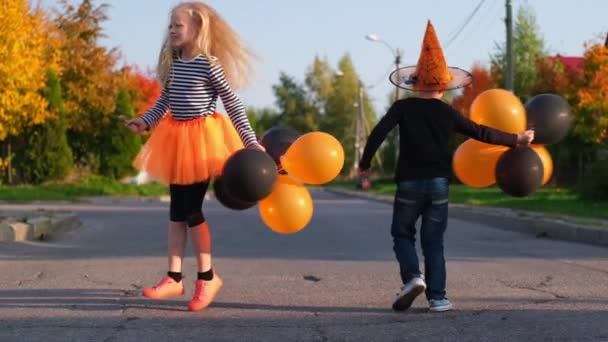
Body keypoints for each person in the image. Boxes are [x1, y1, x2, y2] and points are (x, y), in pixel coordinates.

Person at [357, 20, 534, 313]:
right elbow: (481, 132)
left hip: (409, 183)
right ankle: (438, 298)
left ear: (414, 83)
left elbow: (378, 133)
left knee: (402, 233)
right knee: (434, 241)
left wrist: (365, 164)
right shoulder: (448, 113)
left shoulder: (402, 108)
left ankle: (413, 278)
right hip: (438, 183)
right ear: (444, 85)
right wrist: (516, 139)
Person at [125, 1, 264, 312]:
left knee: (191, 211)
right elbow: (165, 102)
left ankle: (207, 277)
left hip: (201, 142)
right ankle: (174, 278)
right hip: (176, 139)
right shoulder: (175, 63)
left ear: (197, 29)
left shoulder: (208, 64)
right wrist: (144, 121)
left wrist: (250, 141)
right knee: (176, 212)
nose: (172, 30)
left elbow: (232, 103)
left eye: (179, 25)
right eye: (170, 25)